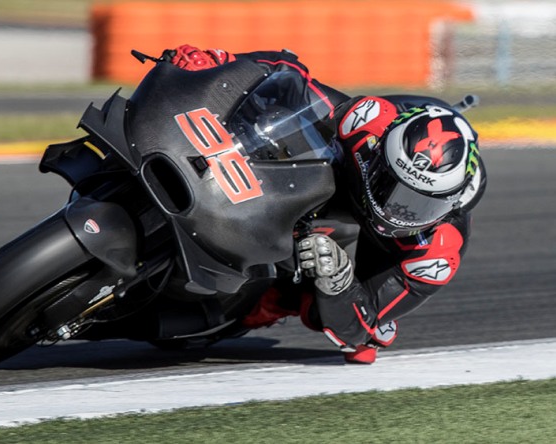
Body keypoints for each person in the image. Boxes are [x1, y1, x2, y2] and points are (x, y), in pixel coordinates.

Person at [164, 44, 487, 364]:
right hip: (347, 179)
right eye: (391, 188)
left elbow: (361, 327)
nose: (397, 210)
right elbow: (290, 72)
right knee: (270, 119)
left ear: (451, 202)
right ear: (378, 155)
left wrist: (340, 283)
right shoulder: (368, 121)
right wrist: (221, 62)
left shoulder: (437, 252)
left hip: (383, 248)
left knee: (363, 342)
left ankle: (261, 309)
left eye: (419, 204)